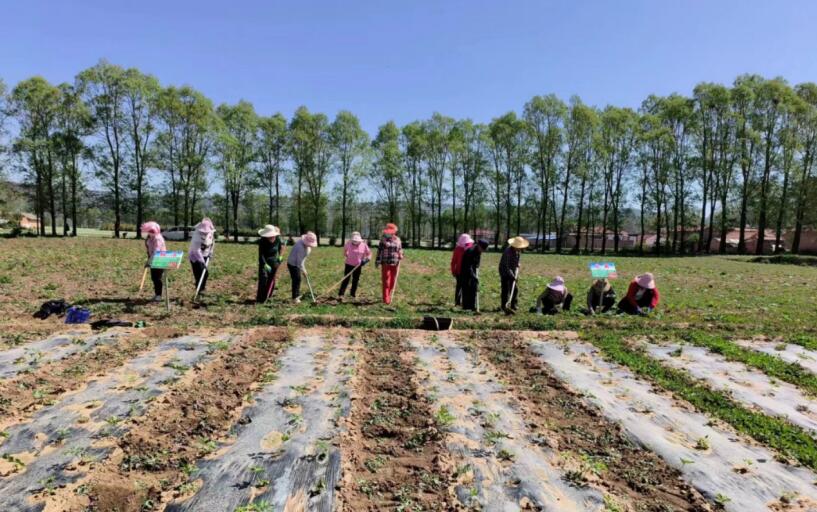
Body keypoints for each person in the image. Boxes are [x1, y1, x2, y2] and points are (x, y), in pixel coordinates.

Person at [499, 236, 529, 314]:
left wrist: (518, 264)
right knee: (506, 289)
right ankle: (503, 306)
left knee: (515, 289)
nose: (520, 249)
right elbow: (506, 266)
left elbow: (517, 260)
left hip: (513, 270)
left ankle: (513, 305)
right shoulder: (507, 252)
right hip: (505, 271)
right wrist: (512, 275)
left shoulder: (518, 251)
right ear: (514, 245)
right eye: (519, 247)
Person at [375, 223, 404, 305]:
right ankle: (386, 298)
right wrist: (377, 261)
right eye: (387, 232)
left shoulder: (398, 239)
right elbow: (379, 251)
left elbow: (400, 249)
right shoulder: (383, 240)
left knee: (393, 281)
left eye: (391, 232)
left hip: (395, 262)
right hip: (385, 262)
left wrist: (401, 254)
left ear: (394, 232)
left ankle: (389, 294)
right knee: (386, 281)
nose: (388, 233)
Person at [287, 231, 318, 303]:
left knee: (297, 279)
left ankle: (296, 295)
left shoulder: (307, 247)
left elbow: (302, 260)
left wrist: (304, 269)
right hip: (292, 264)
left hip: (298, 262)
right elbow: (299, 262)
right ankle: (295, 297)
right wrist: (303, 270)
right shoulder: (299, 247)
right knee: (297, 279)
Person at [339, 231, 371, 298]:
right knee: (346, 279)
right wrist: (347, 255)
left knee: (355, 280)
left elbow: (369, 254)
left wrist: (366, 260)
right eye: (354, 241)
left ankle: (352, 294)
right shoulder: (348, 243)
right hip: (348, 264)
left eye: (356, 241)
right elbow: (345, 251)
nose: (355, 242)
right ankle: (341, 294)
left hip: (358, 266)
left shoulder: (364, 245)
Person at [256, 224, 283, 304]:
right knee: (263, 279)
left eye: (272, 236)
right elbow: (261, 255)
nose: (271, 237)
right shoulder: (262, 241)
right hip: (264, 262)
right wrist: (264, 264)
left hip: (274, 261)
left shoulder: (278, 239)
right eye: (269, 236)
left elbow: (280, 249)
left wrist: (280, 257)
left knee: (272, 280)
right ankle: (260, 299)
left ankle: (268, 297)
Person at [141, 221, 166, 302]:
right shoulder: (150, 238)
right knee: (154, 278)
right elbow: (149, 249)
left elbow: (156, 252)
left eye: (152, 231)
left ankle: (159, 295)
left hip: (160, 259)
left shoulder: (158, 238)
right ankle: (156, 294)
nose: (151, 232)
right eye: (149, 231)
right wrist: (149, 259)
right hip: (153, 259)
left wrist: (149, 261)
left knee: (158, 278)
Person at [460, 239, 489, 311]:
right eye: (482, 249)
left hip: (473, 270)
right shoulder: (470, 251)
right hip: (465, 271)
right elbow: (468, 266)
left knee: (473, 288)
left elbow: (477, 261)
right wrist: (473, 276)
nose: (483, 251)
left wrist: (477, 266)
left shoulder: (478, 251)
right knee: (467, 288)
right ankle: (466, 307)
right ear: (479, 246)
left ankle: (472, 306)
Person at [189, 218, 215, 296]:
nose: (205, 233)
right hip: (195, 256)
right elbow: (197, 250)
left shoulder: (210, 233)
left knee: (205, 273)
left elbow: (212, 243)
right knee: (199, 274)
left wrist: (211, 252)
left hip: (205, 255)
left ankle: (202, 289)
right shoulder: (196, 236)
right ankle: (198, 289)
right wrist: (202, 262)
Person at [451, 233, 474, 306]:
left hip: (466, 271)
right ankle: (457, 302)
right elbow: (453, 261)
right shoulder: (457, 249)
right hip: (459, 271)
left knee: (465, 287)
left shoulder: (469, 249)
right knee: (459, 286)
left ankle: (464, 302)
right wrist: (453, 271)